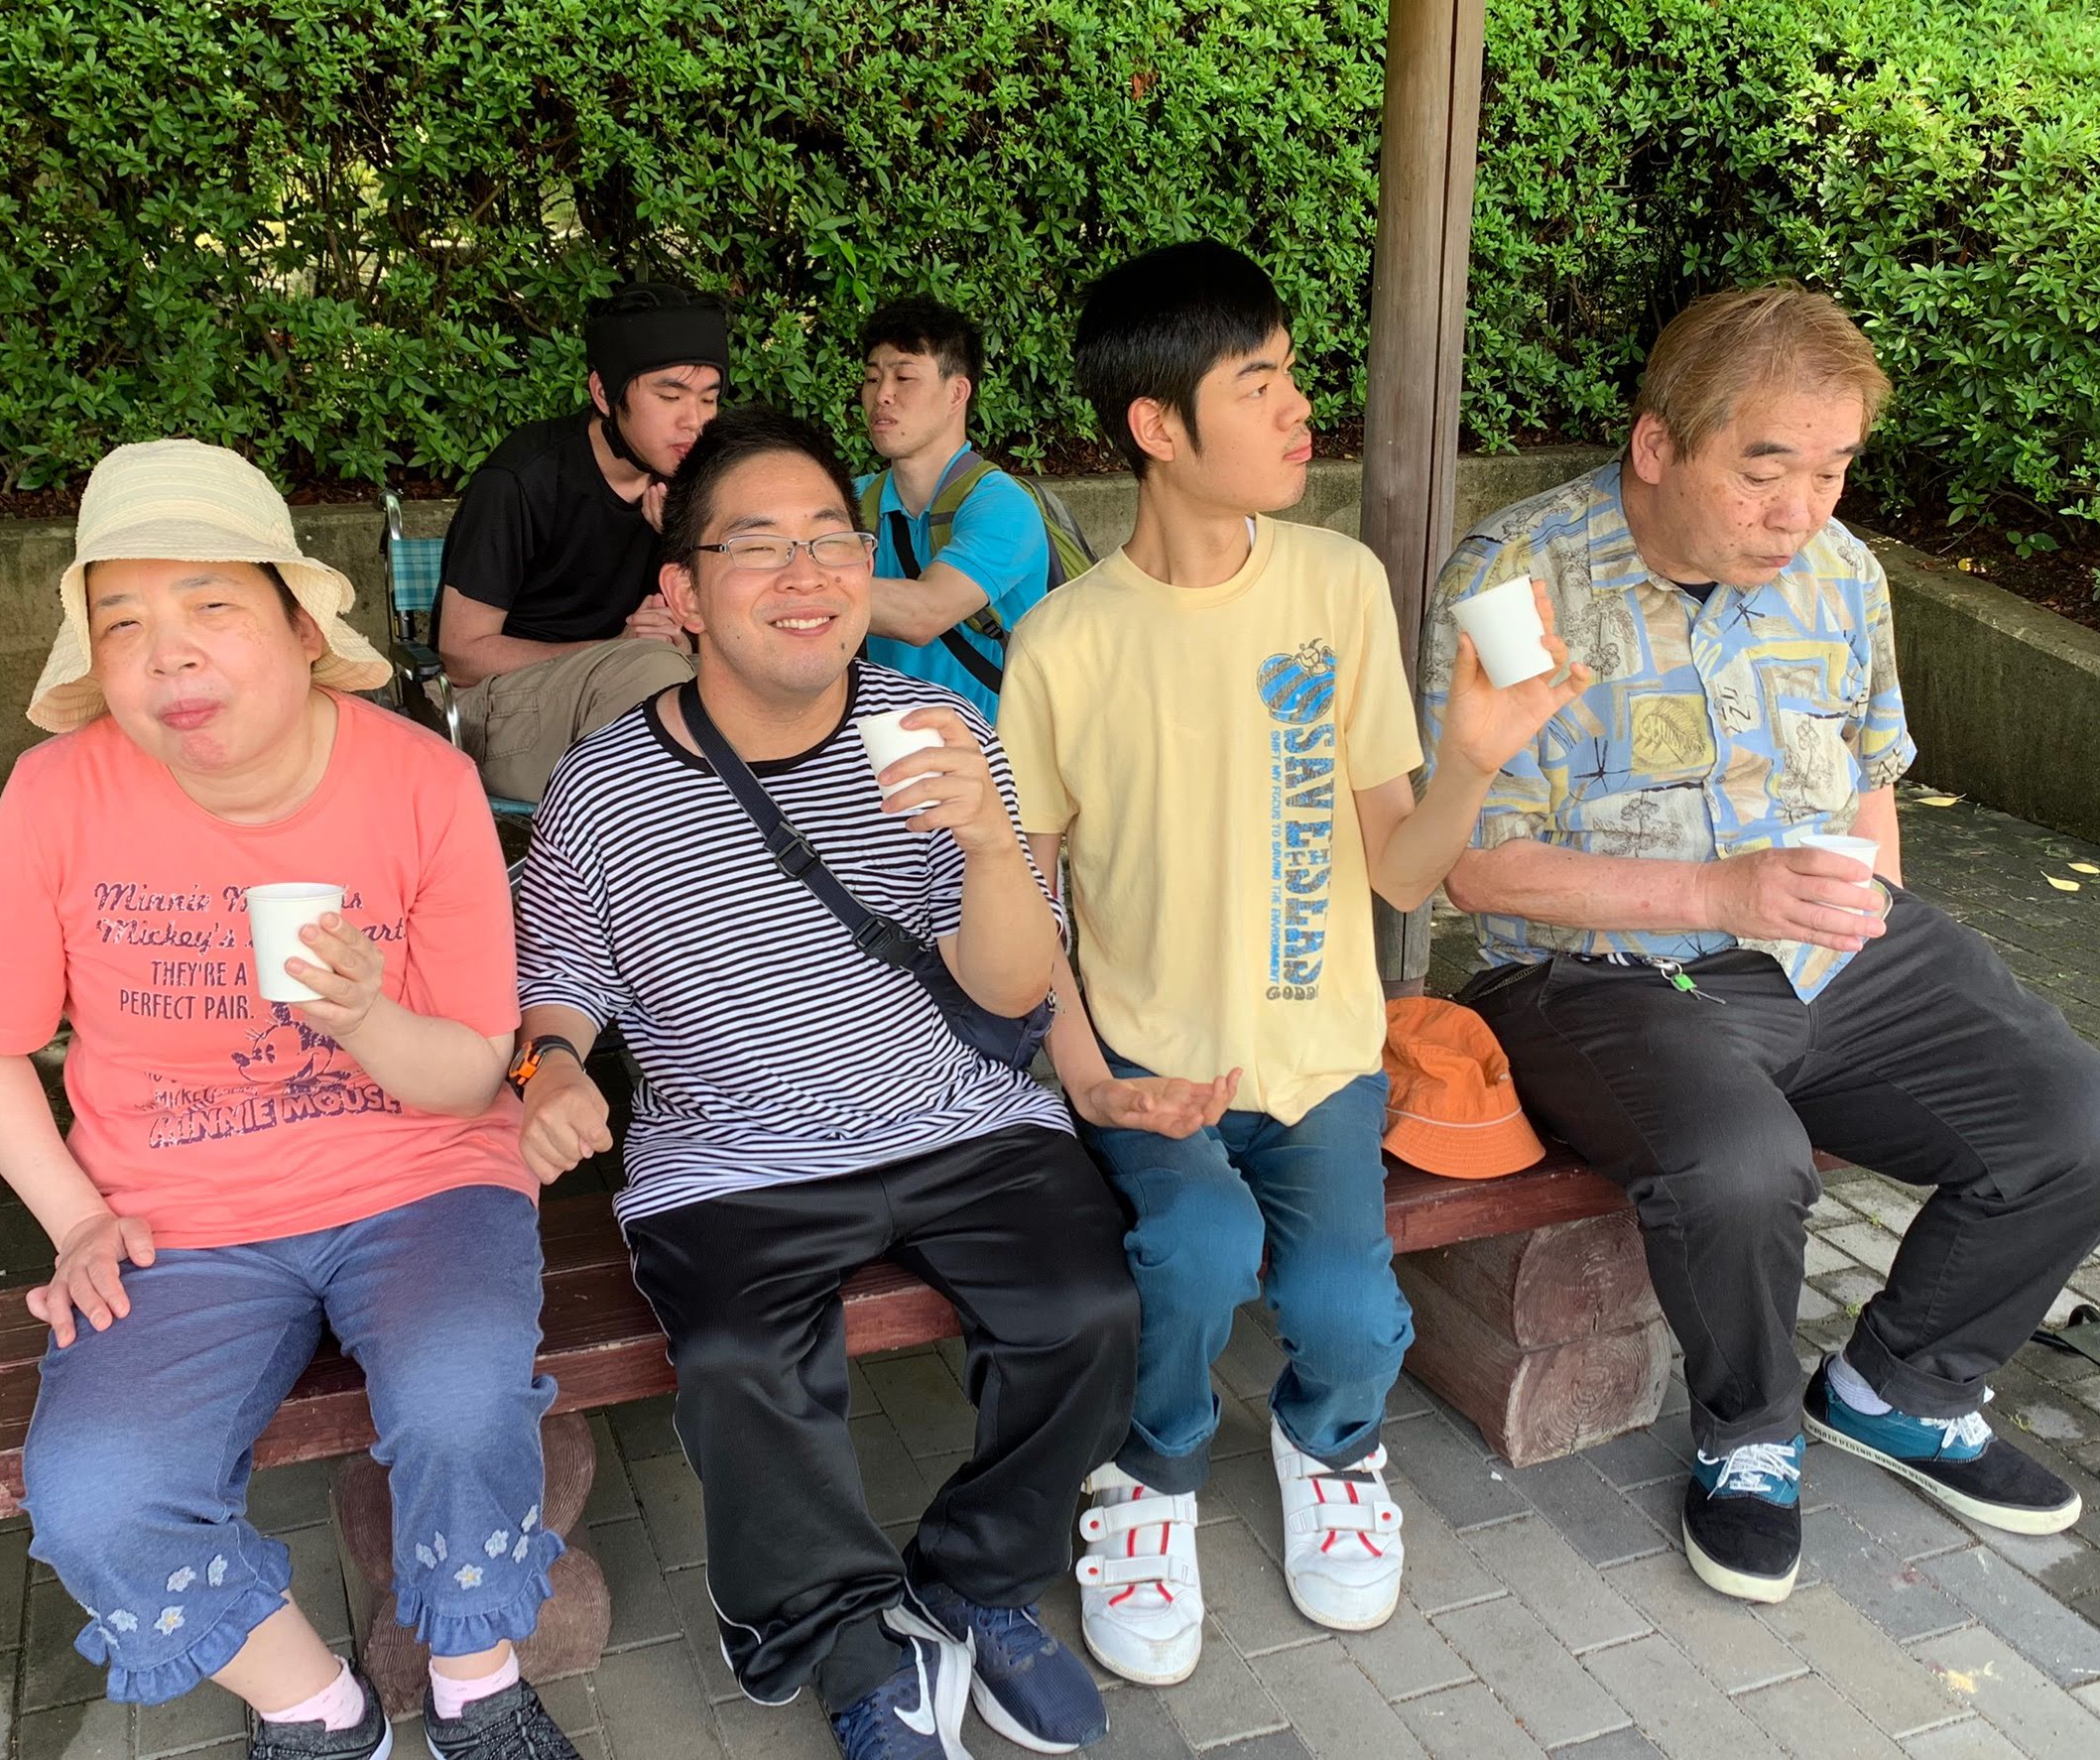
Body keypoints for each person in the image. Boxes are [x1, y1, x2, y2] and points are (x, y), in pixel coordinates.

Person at [1421, 285, 2100, 1605]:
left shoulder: (1843, 572)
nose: (1800, 508)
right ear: (1657, 445)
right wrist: (1721, 891)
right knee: (1746, 1164)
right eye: (1766, 470)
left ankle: (1899, 1387)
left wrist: (1877, 922)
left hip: (1824, 946)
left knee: (2092, 1122)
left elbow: (1870, 777)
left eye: (1832, 469)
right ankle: (1748, 1432)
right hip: (1597, 973)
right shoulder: (1516, 582)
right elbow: (1475, 862)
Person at [0, 440, 583, 1760]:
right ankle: (318, 1708)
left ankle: (477, 1679)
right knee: (96, 1491)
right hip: (176, 1215)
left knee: (461, 1397)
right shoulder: (59, 790)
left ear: (301, 625)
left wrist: (366, 1018)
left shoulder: (422, 781)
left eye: (210, 604)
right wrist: (74, 1216)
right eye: (122, 621)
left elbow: (477, 1065)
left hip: (421, 1179)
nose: (166, 652)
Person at [995, 241, 1588, 1688]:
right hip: (1152, 1063)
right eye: (1255, 382)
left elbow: (1400, 868)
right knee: (1194, 1249)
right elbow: (1027, 896)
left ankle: (1332, 1446)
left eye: (1289, 373)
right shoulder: (1063, 643)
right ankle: (1148, 1472)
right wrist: (1093, 1081)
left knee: (1343, 1309)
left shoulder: (1337, 582)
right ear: (1157, 425)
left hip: (1321, 1055)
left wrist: (1472, 759)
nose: (1296, 406)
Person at [510, 406, 1140, 1759]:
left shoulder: (939, 728)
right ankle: (841, 1635)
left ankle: (974, 1576)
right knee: (746, 1364)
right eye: (757, 544)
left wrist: (991, 841)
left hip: (962, 1114)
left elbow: (1014, 989)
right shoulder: (603, 788)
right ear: (683, 594)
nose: (806, 573)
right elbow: (555, 972)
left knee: (1088, 1309)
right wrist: (549, 1064)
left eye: (831, 539)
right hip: (733, 1149)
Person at [434, 281, 727, 802]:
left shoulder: (692, 484)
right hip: (500, 710)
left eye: (709, 399)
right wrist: (618, 649)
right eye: (669, 396)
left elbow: (723, 631)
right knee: (656, 673)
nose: (696, 422)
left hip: (637, 694)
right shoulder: (523, 478)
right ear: (604, 394)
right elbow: (462, 655)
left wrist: (683, 543)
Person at [857, 296, 1055, 721]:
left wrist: (791, 589)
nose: (882, 395)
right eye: (872, 378)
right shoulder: (849, 502)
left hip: (991, 752)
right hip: (883, 748)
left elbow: (923, 613)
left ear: (957, 393)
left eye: (904, 377)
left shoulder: (1003, 507)